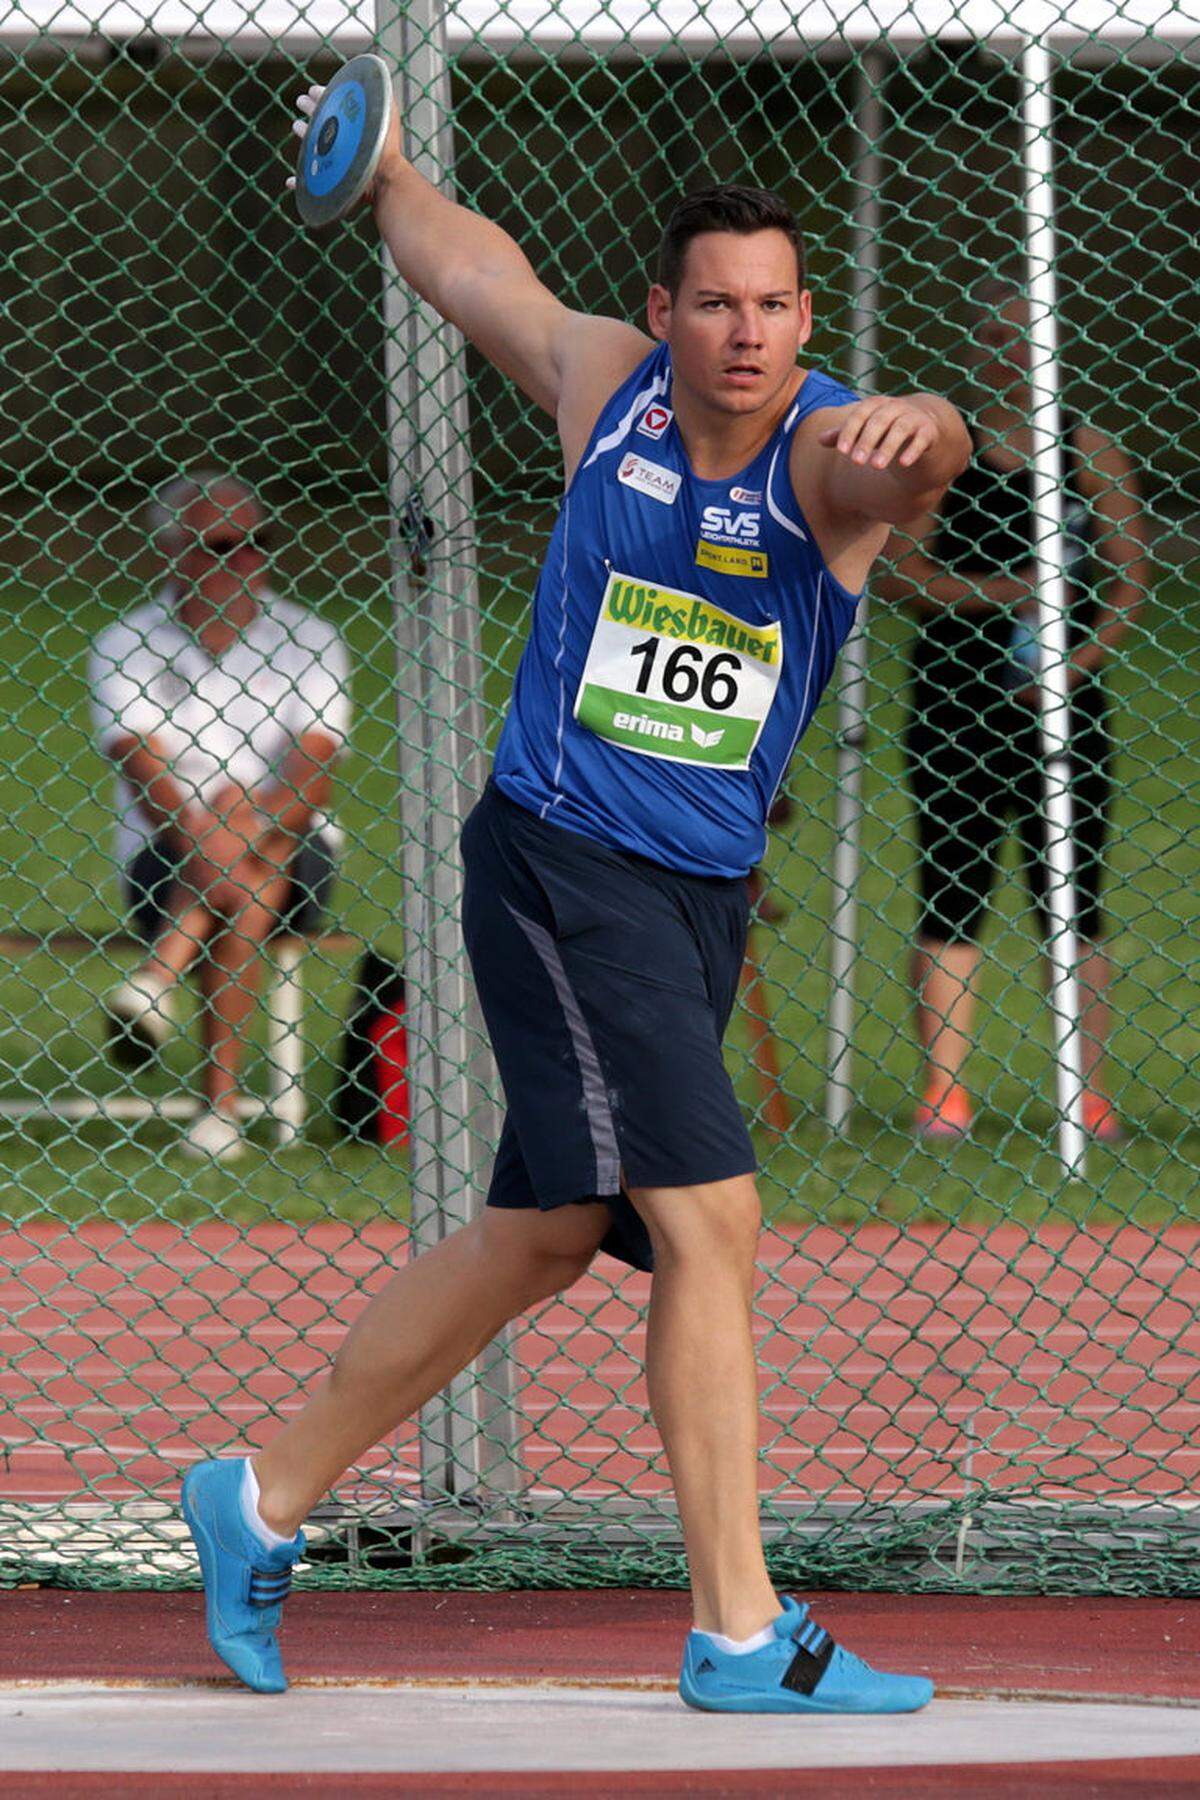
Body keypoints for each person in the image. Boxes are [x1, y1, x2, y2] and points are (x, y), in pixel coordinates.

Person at [180, 83, 970, 1712]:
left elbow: (917, 468)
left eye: (775, 305)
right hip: (557, 859)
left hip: (694, 899)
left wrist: (933, 422)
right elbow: (479, 270)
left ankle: (254, 1498)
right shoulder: (608, 385)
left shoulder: (829, 462)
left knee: (540, 1238)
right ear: (667, 312)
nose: (747, 334)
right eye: (717, 304)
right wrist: (388, 175)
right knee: (714, 1221)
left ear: (804, 320)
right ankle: (742, 1632)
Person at [881, 278, 1149, 1143]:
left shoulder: (1087, 449)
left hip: (1065, 711)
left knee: (1071, 897)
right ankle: (945, 1094)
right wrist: (998, 594)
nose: (1011, 355)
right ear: (974, 351)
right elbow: (900, 575)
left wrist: (1077, 664)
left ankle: (1085, 1092)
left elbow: (1131, 574)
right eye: (994, 338)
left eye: (1026, 338)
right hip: (956, 705)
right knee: (951, 887)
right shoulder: (940, 456)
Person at [89, 471, 351, 1163]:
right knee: (243, 878)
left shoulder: (310, 637)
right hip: (165, 850)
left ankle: (158, 987)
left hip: (292, 843)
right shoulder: (127, 641)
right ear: (173, 551)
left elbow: (312, 773)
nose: (245, 561)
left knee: (251, 843)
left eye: (258, 542)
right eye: (222, 544)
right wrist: (215, 829)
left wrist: (244, 817)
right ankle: (218, 1110)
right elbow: (143, 771)